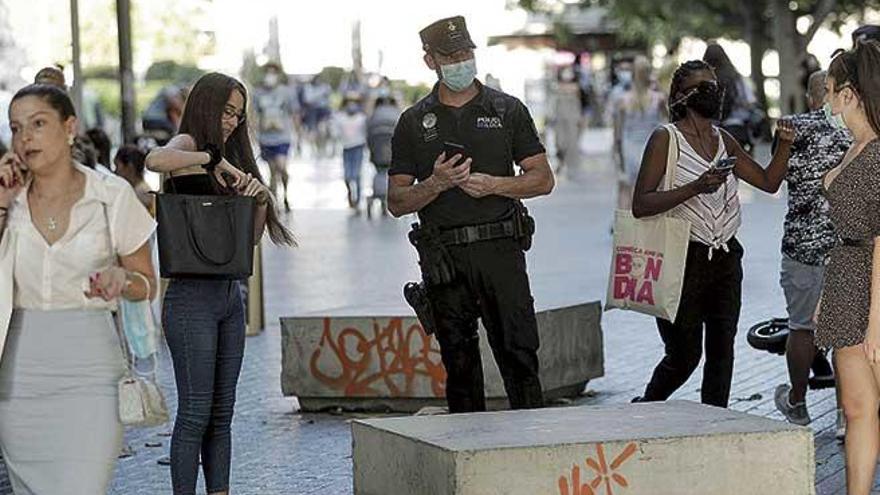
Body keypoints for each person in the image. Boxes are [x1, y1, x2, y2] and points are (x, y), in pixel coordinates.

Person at [388, 16, 555, 413]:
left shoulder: (506, 109)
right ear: (431, 61)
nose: (460, 62)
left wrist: (496, 185)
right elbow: (396, 201)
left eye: (465, 53)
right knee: (459, 366)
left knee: (519, 355)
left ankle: (531, 447)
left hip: (501, 251)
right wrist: (436, 183)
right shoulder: (413, 122)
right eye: (450, 56)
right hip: (444, 260)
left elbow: (543, 179)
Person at [0, 83, 156, 493]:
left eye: (37, 124)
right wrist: (2, 204)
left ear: (69, 127)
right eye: (16, 128)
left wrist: (123, 280)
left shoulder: (111, 195)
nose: (25, 138)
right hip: (18, 375)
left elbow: (147, 284)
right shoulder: (7, 200)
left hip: (91, 374)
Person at [145, 72, 294, 495]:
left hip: (229, 296)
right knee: (194, 412)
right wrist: (211, 161)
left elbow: (248, 239)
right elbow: (155, 161)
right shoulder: (189, 145)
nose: (231, 122)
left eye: (238, 115)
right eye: (227, 111)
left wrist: (259, 198)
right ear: (207, 106)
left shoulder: (238, 159)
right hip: (191, 297)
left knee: (221, 414)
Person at [631, 60, 795, 408]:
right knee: (684, 355)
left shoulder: (724, 140)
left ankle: (716, 423)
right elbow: (641, 204)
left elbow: (768, 182)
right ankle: (646, 407)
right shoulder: (666, 139)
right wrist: (696, 186)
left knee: (722, 351)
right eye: (704, 88)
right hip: (680, 259)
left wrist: (783, 143)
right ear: (682, 96)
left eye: (716, 86)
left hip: (724, 257)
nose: (714, 93)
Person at [814, 40, 880, 495]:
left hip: (873, 285)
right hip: (846, 277)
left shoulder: (877, 152)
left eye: (830, 89)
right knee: (857, 408)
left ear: (849, 94)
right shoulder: (856, 148)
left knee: (863, 407)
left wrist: (876, 320)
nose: (824, 100)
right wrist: (826, 296)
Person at [772, 70, 851, 428]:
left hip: (804, 246)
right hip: (850, 247)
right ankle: (844, 415)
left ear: (809, 97)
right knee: (848, 334)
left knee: (801, 328)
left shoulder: (794, 128)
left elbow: (774, 177)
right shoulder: (860, 127)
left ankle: (798, 404)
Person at [612, 55, 666, 211]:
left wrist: (617, 154)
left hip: (629, 148)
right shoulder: (658, 99)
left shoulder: (623, 101)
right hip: (651, 148)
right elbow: (668, 125)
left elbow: (618, 133)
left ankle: (625, 226)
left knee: (626, 189)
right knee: (652, 189)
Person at [253, 62, 298, 212]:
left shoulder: (286, 92)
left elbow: (294, 112)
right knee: (272, 172)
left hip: (282, 137)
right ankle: (275, 202)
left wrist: (298, 133)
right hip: (266, 138)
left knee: (282, 167)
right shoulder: (258, 93)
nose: (270, 76)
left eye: (273, 72)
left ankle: (285, 193)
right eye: (268, 72)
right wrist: (254, 134)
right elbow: (254, 114)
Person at [703, 43, 760, 152]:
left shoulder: (703, 79)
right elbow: (750, 101)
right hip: (735, 127)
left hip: (709, 130)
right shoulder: (735, 78)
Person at [366, 94, 400, 216]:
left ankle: (378, 194)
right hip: (392, 145)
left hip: (377, 144)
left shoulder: (374, 114)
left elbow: (368, 133)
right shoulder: (396, 112)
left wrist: (371, 150)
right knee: (389, 171)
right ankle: (386, 196)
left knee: (380, 170)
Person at [334, 93, 368, 210]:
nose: (351, 105)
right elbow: (335, 131)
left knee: (357, 175)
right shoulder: (340, 117)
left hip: (358, 147)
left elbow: (366, 132)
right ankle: (349, 193)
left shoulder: (362, 118)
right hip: (346, 148)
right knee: (347, 176)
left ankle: (357, 200)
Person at [551, 63, 583, 177]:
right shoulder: (557, 87)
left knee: (572, 143)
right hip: (560, 118)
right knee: (560, 142)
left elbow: (578, 103)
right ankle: (560, 162)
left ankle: (569, 166)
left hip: (572, 118)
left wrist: (579, 119)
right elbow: (554, 104)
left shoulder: (576, 88)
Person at [114, 144, 152, 210]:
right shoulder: (135, 190)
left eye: (117, 166)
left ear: (129, 167)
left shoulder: (141, 193)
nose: (116, 171)